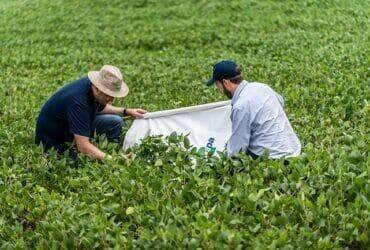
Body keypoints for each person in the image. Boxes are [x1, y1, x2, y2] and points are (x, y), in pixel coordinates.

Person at [35, 65, 147, 160]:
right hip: (53, 139)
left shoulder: (92, 87)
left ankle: (105, 149)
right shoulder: (78, 102)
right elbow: (83, 146)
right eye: (108, 95)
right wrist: (114, 161)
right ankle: (102, 153)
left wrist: (126, 111)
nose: (111, 99)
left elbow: (99, 108)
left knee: (115, 121)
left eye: (113, 95)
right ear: (97, 88)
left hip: (71, 124)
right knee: (76, 160)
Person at [206, 60, 301, 159]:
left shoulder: (241, 105)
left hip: (273, 159)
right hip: (294, 151)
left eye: (218, 85)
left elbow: (238, 148)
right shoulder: (262, 87)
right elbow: (281, 102)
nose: (219, 90)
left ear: (225, 82)